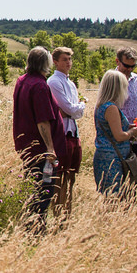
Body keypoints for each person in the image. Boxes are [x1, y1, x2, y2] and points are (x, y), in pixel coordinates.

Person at [12, 47, 63, 232]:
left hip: (27, 145)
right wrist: (50, 148)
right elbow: (43, 120)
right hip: (40, 149)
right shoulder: (40, 86)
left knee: (33, 187)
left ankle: (30, 225)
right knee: (44, 189)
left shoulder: (22, 80)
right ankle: (35, 229)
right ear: (46, 63)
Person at [46, 46, 86, 218]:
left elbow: (74, 111)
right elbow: (69, 108)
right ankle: (58, 212)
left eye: (70, 59)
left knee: (71, 176)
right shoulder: (54, 82)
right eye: (64, 59)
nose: (68, 63)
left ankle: (67, 213)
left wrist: (75, 109)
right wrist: (80, 106)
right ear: (55, 61)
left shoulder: (70, 83)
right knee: (60, 176)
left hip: (73, 132)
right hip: (62, 133)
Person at [93, 68, 137, 196]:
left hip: (106, 156)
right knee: (114, 198)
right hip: (113, 159)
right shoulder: (111, 108)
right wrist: (133, 131)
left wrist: (127, 127)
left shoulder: (102, 105)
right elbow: (119, 136)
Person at [117, 49, 137, 169]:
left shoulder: (136, 79)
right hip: (120, 137)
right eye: (126, 66)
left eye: (132, 66)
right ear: (117, 61)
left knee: (135, 174)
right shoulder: (111, 80)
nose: (129, 69)